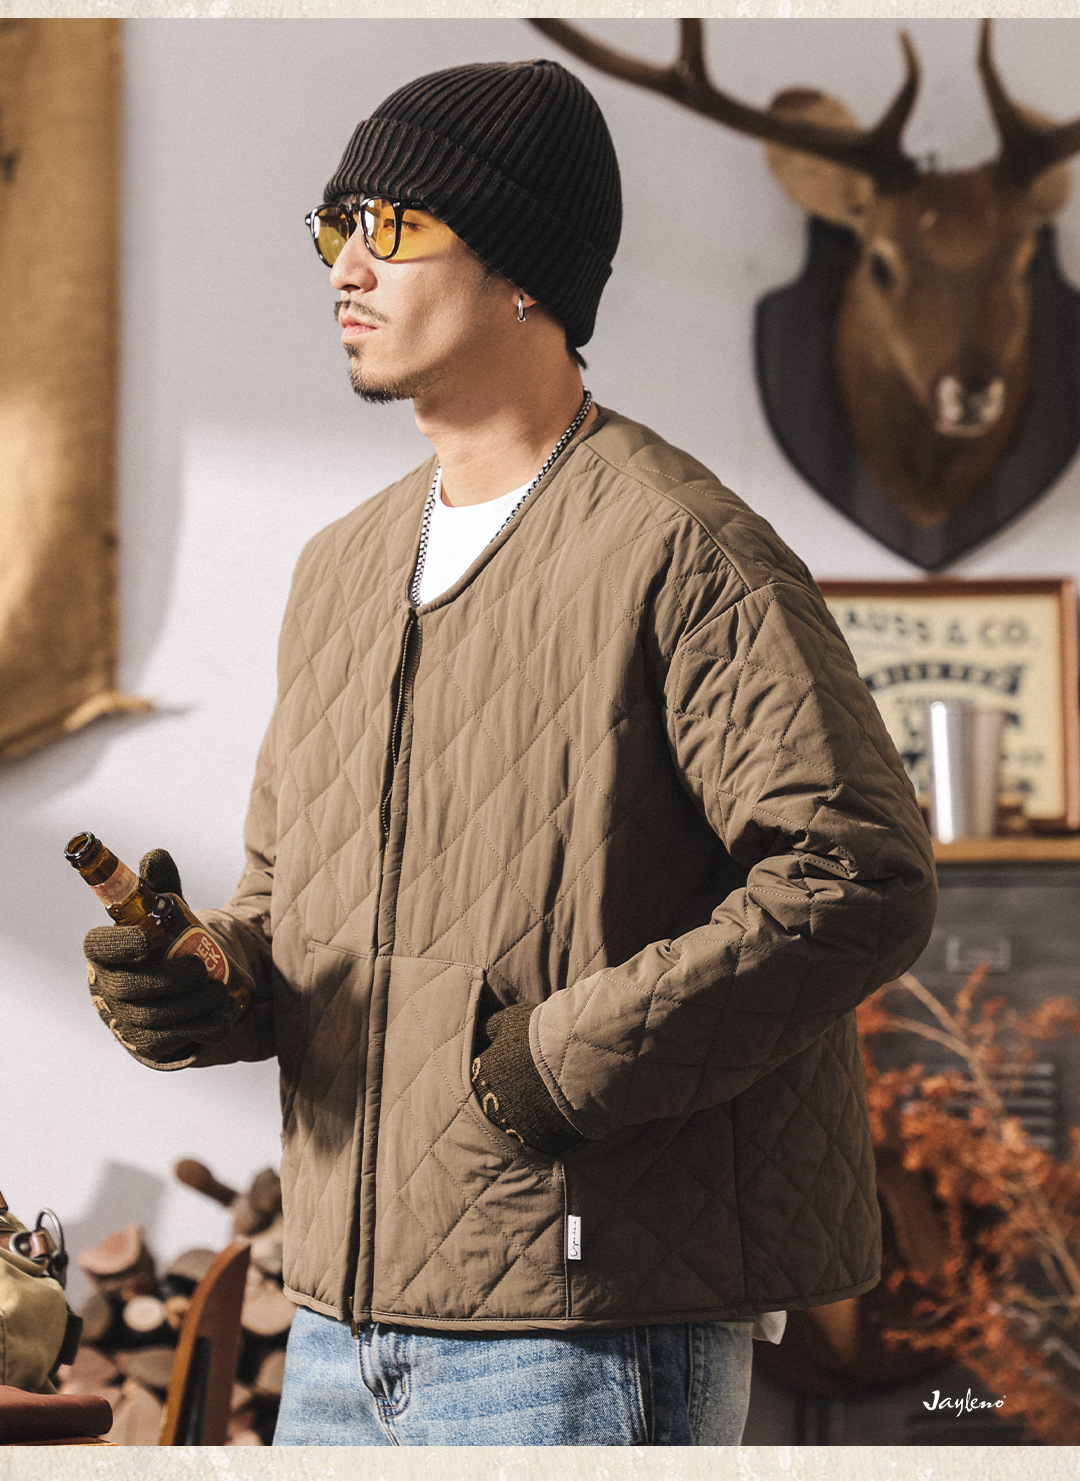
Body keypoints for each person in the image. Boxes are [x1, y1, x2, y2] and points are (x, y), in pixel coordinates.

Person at [81, 57, 937, 1446]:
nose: (346, 266)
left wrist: (561, 1063)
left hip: (583, 1325)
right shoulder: (342, 570)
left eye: (394, 226)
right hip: (337, 1327)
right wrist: (208, 979)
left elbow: (858, 877)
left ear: (526, 270)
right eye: (335, 225)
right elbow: (299, 912)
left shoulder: (681, 549)